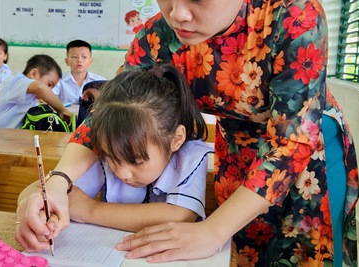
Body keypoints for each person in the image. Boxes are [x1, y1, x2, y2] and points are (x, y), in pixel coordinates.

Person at [16, 0, 359, 266]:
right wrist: (57, 182)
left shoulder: (293, 14)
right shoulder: (159, 35)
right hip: (237, 150)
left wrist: (211, 231)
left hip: (307, 156)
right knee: (241, 256)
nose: (177, 13)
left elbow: (292, 142)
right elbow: (110, 109)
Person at [17, 64, 212, 236]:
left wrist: (90, 210)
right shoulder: (109, 146)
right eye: (111, 157)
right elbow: (35, 191)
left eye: (136, 161)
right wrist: (36, 210)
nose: (122, 173)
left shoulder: (191, 156)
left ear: (176, 139)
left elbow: (180, 215)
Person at [0, 54, 73, 128]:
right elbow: (40, 88)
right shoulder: (17, 81)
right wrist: (62, 109)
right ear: (33, 73)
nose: (49, 90)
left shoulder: (30, 95)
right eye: (49, 84)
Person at [51, 40, 106, 105]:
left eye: (84, 57)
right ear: (67, 61)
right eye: (75, 57)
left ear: (91, 61)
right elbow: (49, 98)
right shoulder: (58, 79)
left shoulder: (100, 81)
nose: (79, 60)